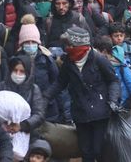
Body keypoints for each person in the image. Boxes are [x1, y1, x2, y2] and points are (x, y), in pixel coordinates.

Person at [44, 27, 120, 162]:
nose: (67, 48)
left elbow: (113, 81)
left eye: (70, 45)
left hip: (100, 113)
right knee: (86, 152)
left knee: (99, 149)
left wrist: (113, 101)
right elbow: (60, 83)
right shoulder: (68, 62)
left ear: (79, 46)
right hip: (80, 114)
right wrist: (45, 97)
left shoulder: (98, 59)